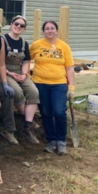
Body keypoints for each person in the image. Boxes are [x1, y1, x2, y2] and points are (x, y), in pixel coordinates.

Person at [29, 21, 75, 155]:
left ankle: (61, 141)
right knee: (45, 112)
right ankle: (51, 141)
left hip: (59, 84)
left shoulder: (64, 46)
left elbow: (70, 68)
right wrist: (25, 74)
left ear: (57, 30)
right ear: (43, 31)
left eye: (52, 28)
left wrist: (71, 87)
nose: (50, 31)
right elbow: (26, 59)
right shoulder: (36, 45)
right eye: (47, 29)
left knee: (59, 111)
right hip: (40, 83)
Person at [3, 15, 40, 144]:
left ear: (24, 29)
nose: (18, 27)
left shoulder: (24, 43)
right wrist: (11, 74)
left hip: (20, 72)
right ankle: (28, 120)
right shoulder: (3, 40)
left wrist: (24, 75)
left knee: (33, 91)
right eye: (16, 24)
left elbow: (26, 61)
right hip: (5, 72)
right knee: (17, 92)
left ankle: (27, 126)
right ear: (11, 24)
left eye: (22, 25)